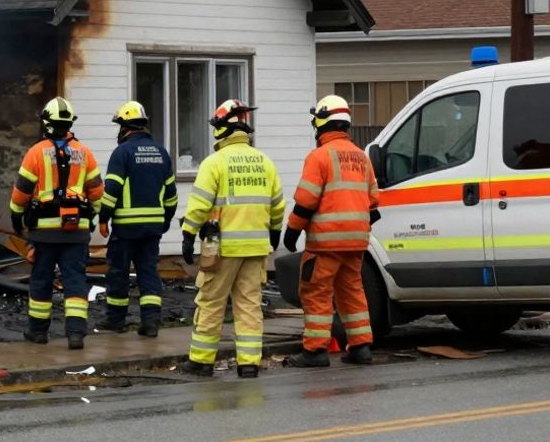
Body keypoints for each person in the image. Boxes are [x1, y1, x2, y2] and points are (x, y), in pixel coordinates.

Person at [179, 99, 284, 379]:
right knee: (249, 305)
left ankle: (201, 362)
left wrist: (188, 234)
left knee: (211, 301)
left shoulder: (215, 162)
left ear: (222, 128)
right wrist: (275, 232)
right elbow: (277, 204)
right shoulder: (265, 162)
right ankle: (249, 364)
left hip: (221, 247)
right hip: (256, 248)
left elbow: (200, 204)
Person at [283, 94, 381, 367]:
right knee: (352, 292)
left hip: (325, 244)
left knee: (316, 293)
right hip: (357, 242)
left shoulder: (319, 156)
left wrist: (291, 232)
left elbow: (306, 201)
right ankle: (361, 347)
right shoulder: (361, 156)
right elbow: (374, 205)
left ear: (322, 121)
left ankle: (315, 351)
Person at [10, 96, 104, 350]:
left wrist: (16, 218)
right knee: (75, 280)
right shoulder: (84, 153)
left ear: (47, 123)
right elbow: (96, 193)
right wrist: (94, 221)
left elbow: (21, 193)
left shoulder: (36, 153)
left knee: (41, 280)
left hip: (44, 234)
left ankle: (38, 332)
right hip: (76, 232)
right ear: (69, 123)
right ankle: (76, 335)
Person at [96, 100, 177, 337]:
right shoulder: (161, 153)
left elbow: (111, 190)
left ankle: (116, 320)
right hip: (152, 228)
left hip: (125, 228)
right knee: (148, 272)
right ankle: (151, 323)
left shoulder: (122, 153)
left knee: (118, 272)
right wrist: (165, 221)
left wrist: (103, 218)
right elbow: (171, 195)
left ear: (124, 126)